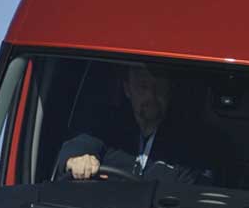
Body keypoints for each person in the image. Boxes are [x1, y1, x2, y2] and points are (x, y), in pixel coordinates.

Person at [56, 63, 223, 184]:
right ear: (128, 90)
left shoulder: (191, 142)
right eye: (142, 87)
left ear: (169, 90)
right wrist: (76, 161)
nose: (151, 95)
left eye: (158, 87)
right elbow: (75, 148)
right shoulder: (106, 126)